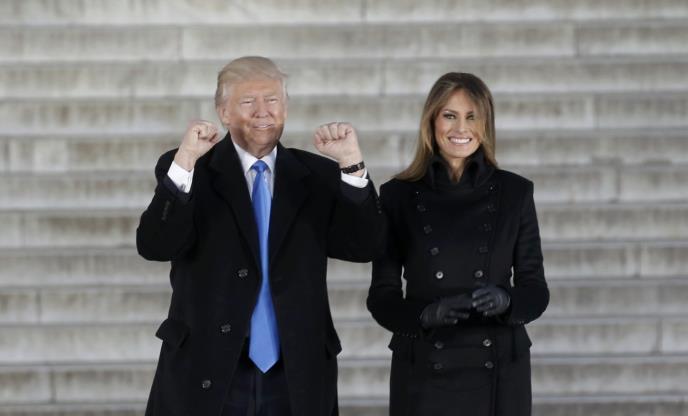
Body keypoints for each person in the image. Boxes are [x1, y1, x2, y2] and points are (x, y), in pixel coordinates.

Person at [137, 56, 385, 416]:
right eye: (248, 101)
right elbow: (155, 245)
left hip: (296, 370)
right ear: (223, 112)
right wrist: (186, 159)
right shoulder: (190, 169)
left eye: (272, 100)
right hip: (208, 364)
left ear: (285, 107)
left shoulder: (318, 175)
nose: (262, 111)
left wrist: (352, 166)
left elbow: (366, 246)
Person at [367, 72, 549, 416]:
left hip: (499, 367)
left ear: (486, 123)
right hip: (423, 367)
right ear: (432, 121)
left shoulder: (515, 192)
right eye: (449, 115)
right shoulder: (397, 196)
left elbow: (536, 290)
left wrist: (507, 300)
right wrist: (424, 314)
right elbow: (381, 297)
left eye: (472, 117)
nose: (461, 128)